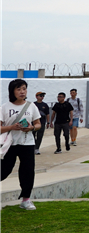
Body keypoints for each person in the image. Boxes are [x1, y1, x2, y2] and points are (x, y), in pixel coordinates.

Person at [1, 79, 43, 210]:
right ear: (12, 91)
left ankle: (26, 199)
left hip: (27, 143)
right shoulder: (4, 107)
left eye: (24, 89)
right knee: (4, 170)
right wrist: (12, 127)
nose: (22, 92)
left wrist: (31, 128)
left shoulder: (31, 106)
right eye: (18, 89)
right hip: (9, 144)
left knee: (27, 171)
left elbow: (38, 124)